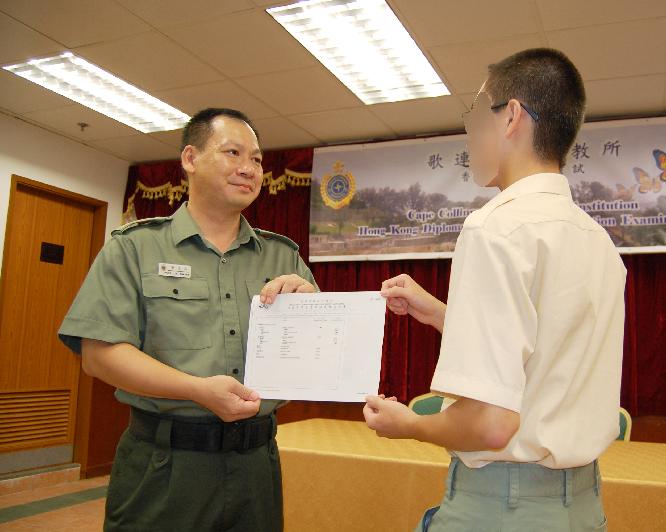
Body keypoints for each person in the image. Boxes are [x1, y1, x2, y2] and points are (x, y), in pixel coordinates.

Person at [363, 48, 627, 531]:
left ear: (510, 117)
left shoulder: (494, 228)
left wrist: (410, 425)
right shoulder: (598, 239)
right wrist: (446, 314)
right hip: (583, 506)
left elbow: (490, 424)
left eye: (473, 114)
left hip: (503, 508)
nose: (469, 133)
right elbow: (546, 349)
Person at [58, 108, 317, 532]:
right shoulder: (135, 248)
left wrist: (312, 311)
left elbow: (319, 357)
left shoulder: (283, 257)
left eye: (256, 159)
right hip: (165, 465)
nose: (249, 169)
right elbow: (99, 355)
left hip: (256, 463)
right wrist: (197, 390)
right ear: (190, 159)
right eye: (233, 152)